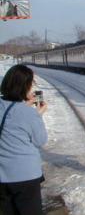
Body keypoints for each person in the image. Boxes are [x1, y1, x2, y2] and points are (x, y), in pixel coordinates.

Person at [0, 65, 48, 215]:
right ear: (24, 86)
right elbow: (40, 140)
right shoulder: (28, 113)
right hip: (25, 176)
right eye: (31, 83)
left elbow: (10, 117)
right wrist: (38, 115)